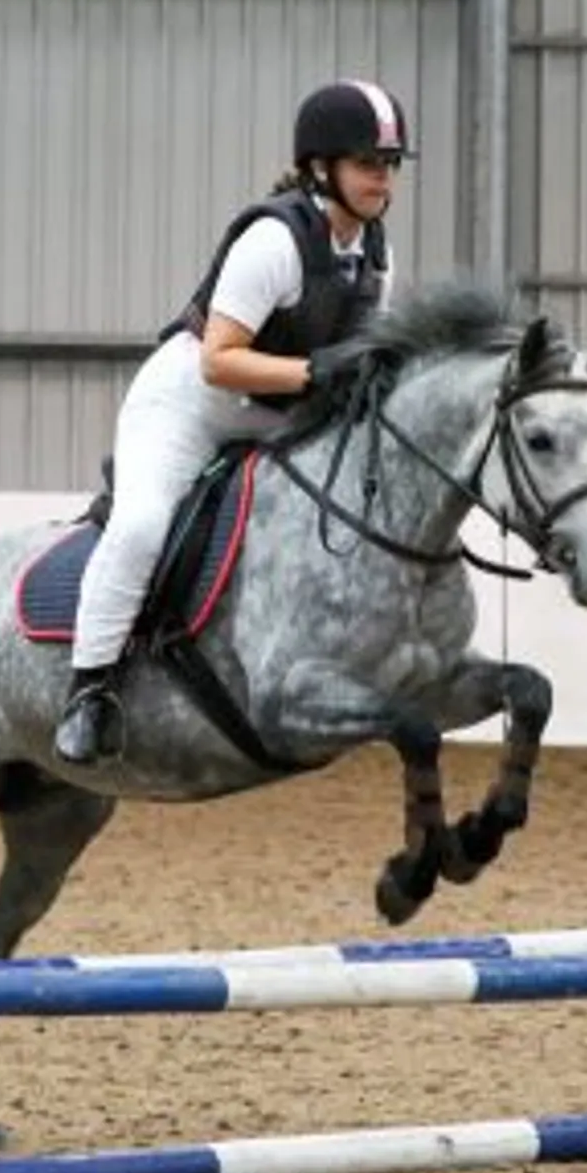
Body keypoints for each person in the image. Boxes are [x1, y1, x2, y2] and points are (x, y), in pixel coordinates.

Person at [52, 77, 415, 766]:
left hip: (275, 414)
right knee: (141, 528)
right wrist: (315, 373)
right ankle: (89, 689)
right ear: (321, 167)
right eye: (369, 162)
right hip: (189, 404)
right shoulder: (273, 241)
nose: (383, 177)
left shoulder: (376, 252)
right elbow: (221, 360)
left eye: (390, 165)